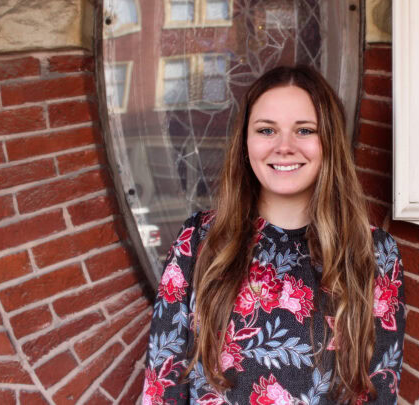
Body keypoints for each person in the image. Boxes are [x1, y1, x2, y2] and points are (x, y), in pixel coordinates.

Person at [142, 65, 405, 404]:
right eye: (267, 130)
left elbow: (378, 392)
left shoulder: (373, 252)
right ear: (245, 141)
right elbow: (162, 388)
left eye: (304, 130)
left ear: (330, 142)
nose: (284, 146)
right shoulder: (199, 240)